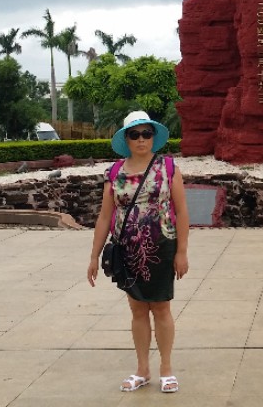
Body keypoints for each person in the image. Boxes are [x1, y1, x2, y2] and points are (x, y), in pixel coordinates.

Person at [88, 110, 190, 394]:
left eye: (147, 133)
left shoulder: (168, 168)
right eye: (135, 134)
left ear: (154, 137)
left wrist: (182, 251)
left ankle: (166, 369)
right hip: (128, 250)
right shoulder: (114, 172)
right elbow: (104, 216)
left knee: (161, 306)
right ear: (126, 139)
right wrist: (94, 256)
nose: (142, 139)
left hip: (161, 247)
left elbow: (181, 212)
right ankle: (142, 369)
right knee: (137, 309)